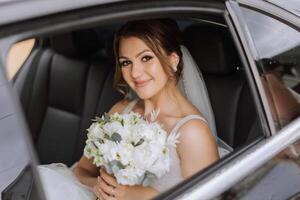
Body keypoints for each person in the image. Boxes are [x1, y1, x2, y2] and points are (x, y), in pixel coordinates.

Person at [38, 19, 219, 200]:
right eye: (126, 62)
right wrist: (103, 188)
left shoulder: (192, 132)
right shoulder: (121, 112)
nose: (135, 73)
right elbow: (81, 170)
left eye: (146, 58)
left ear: (173, 60)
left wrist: (137, 196)